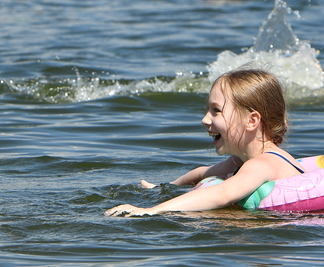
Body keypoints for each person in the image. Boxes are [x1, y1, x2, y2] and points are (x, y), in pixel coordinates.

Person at [105, 68, 301, 216]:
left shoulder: (262, 165)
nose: (205, 119)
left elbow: (222, 194)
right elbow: (201, 172)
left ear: (251, 121)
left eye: (216, 111)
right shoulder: (240, 161)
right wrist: (164, 188)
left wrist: (152, 210)